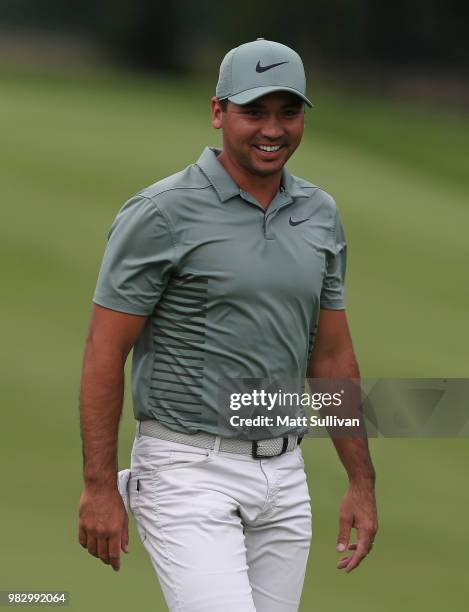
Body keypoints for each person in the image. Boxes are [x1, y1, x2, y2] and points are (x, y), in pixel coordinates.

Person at [78, 38, 378, 612]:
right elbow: (104, 350)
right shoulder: (161, 213)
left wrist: (361, 482)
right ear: (218, 112)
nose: (273, 129)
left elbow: (333, 356)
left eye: (288, 112)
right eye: (254, 112)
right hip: (187, 472)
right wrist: (97, 488)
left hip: (286, 476)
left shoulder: (320, 213)